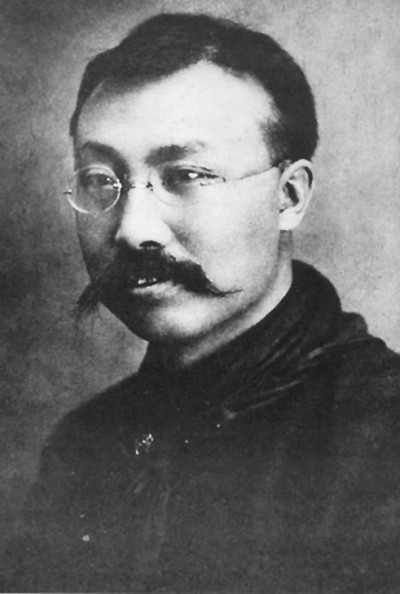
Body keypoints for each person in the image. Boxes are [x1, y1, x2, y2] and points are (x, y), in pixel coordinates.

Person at [2, 12, 400, 594]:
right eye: (101, 179)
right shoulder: (81, 445)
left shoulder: (382, 438)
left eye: (186, 175)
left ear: (289, 196)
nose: (133, 230)